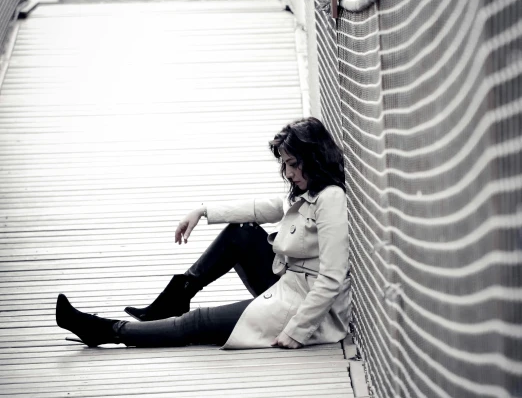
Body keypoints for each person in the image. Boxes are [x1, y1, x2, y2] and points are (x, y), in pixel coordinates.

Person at [56, 117, 351, 351]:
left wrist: (297, 332)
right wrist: (203, 210)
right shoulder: (307, 191)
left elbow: (332, 278)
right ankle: (177, 296)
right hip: (287, 284)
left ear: (313, 157)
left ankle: (106, 331)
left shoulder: (330, 199)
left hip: (304, 306)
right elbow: (264, 208)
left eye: (292, 164)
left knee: (199, 322)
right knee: (241, 231)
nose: (287, 173)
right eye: (284, 164)